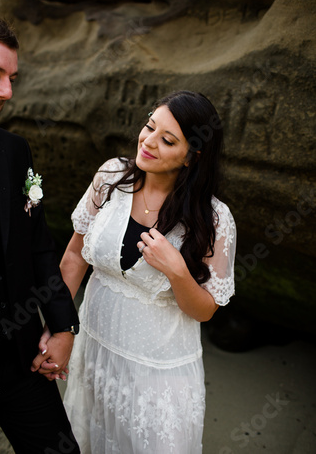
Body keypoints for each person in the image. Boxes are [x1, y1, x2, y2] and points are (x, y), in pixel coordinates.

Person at [56, 90, 237, 453]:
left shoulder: (215, 219)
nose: (148, 142)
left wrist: (178, 272)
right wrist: (58, 329)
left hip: (157, 372)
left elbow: (205, 309)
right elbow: (74, 257)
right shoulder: (111, 177)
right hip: (95, 353)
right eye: (149, 126)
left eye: (167, 140)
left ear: (191, 157)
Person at [0, 11, 80, 453]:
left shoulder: (14, 150)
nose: (6, 92)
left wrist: (62, 328)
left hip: (16, 357)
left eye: (11, 77)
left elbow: (39, 247)